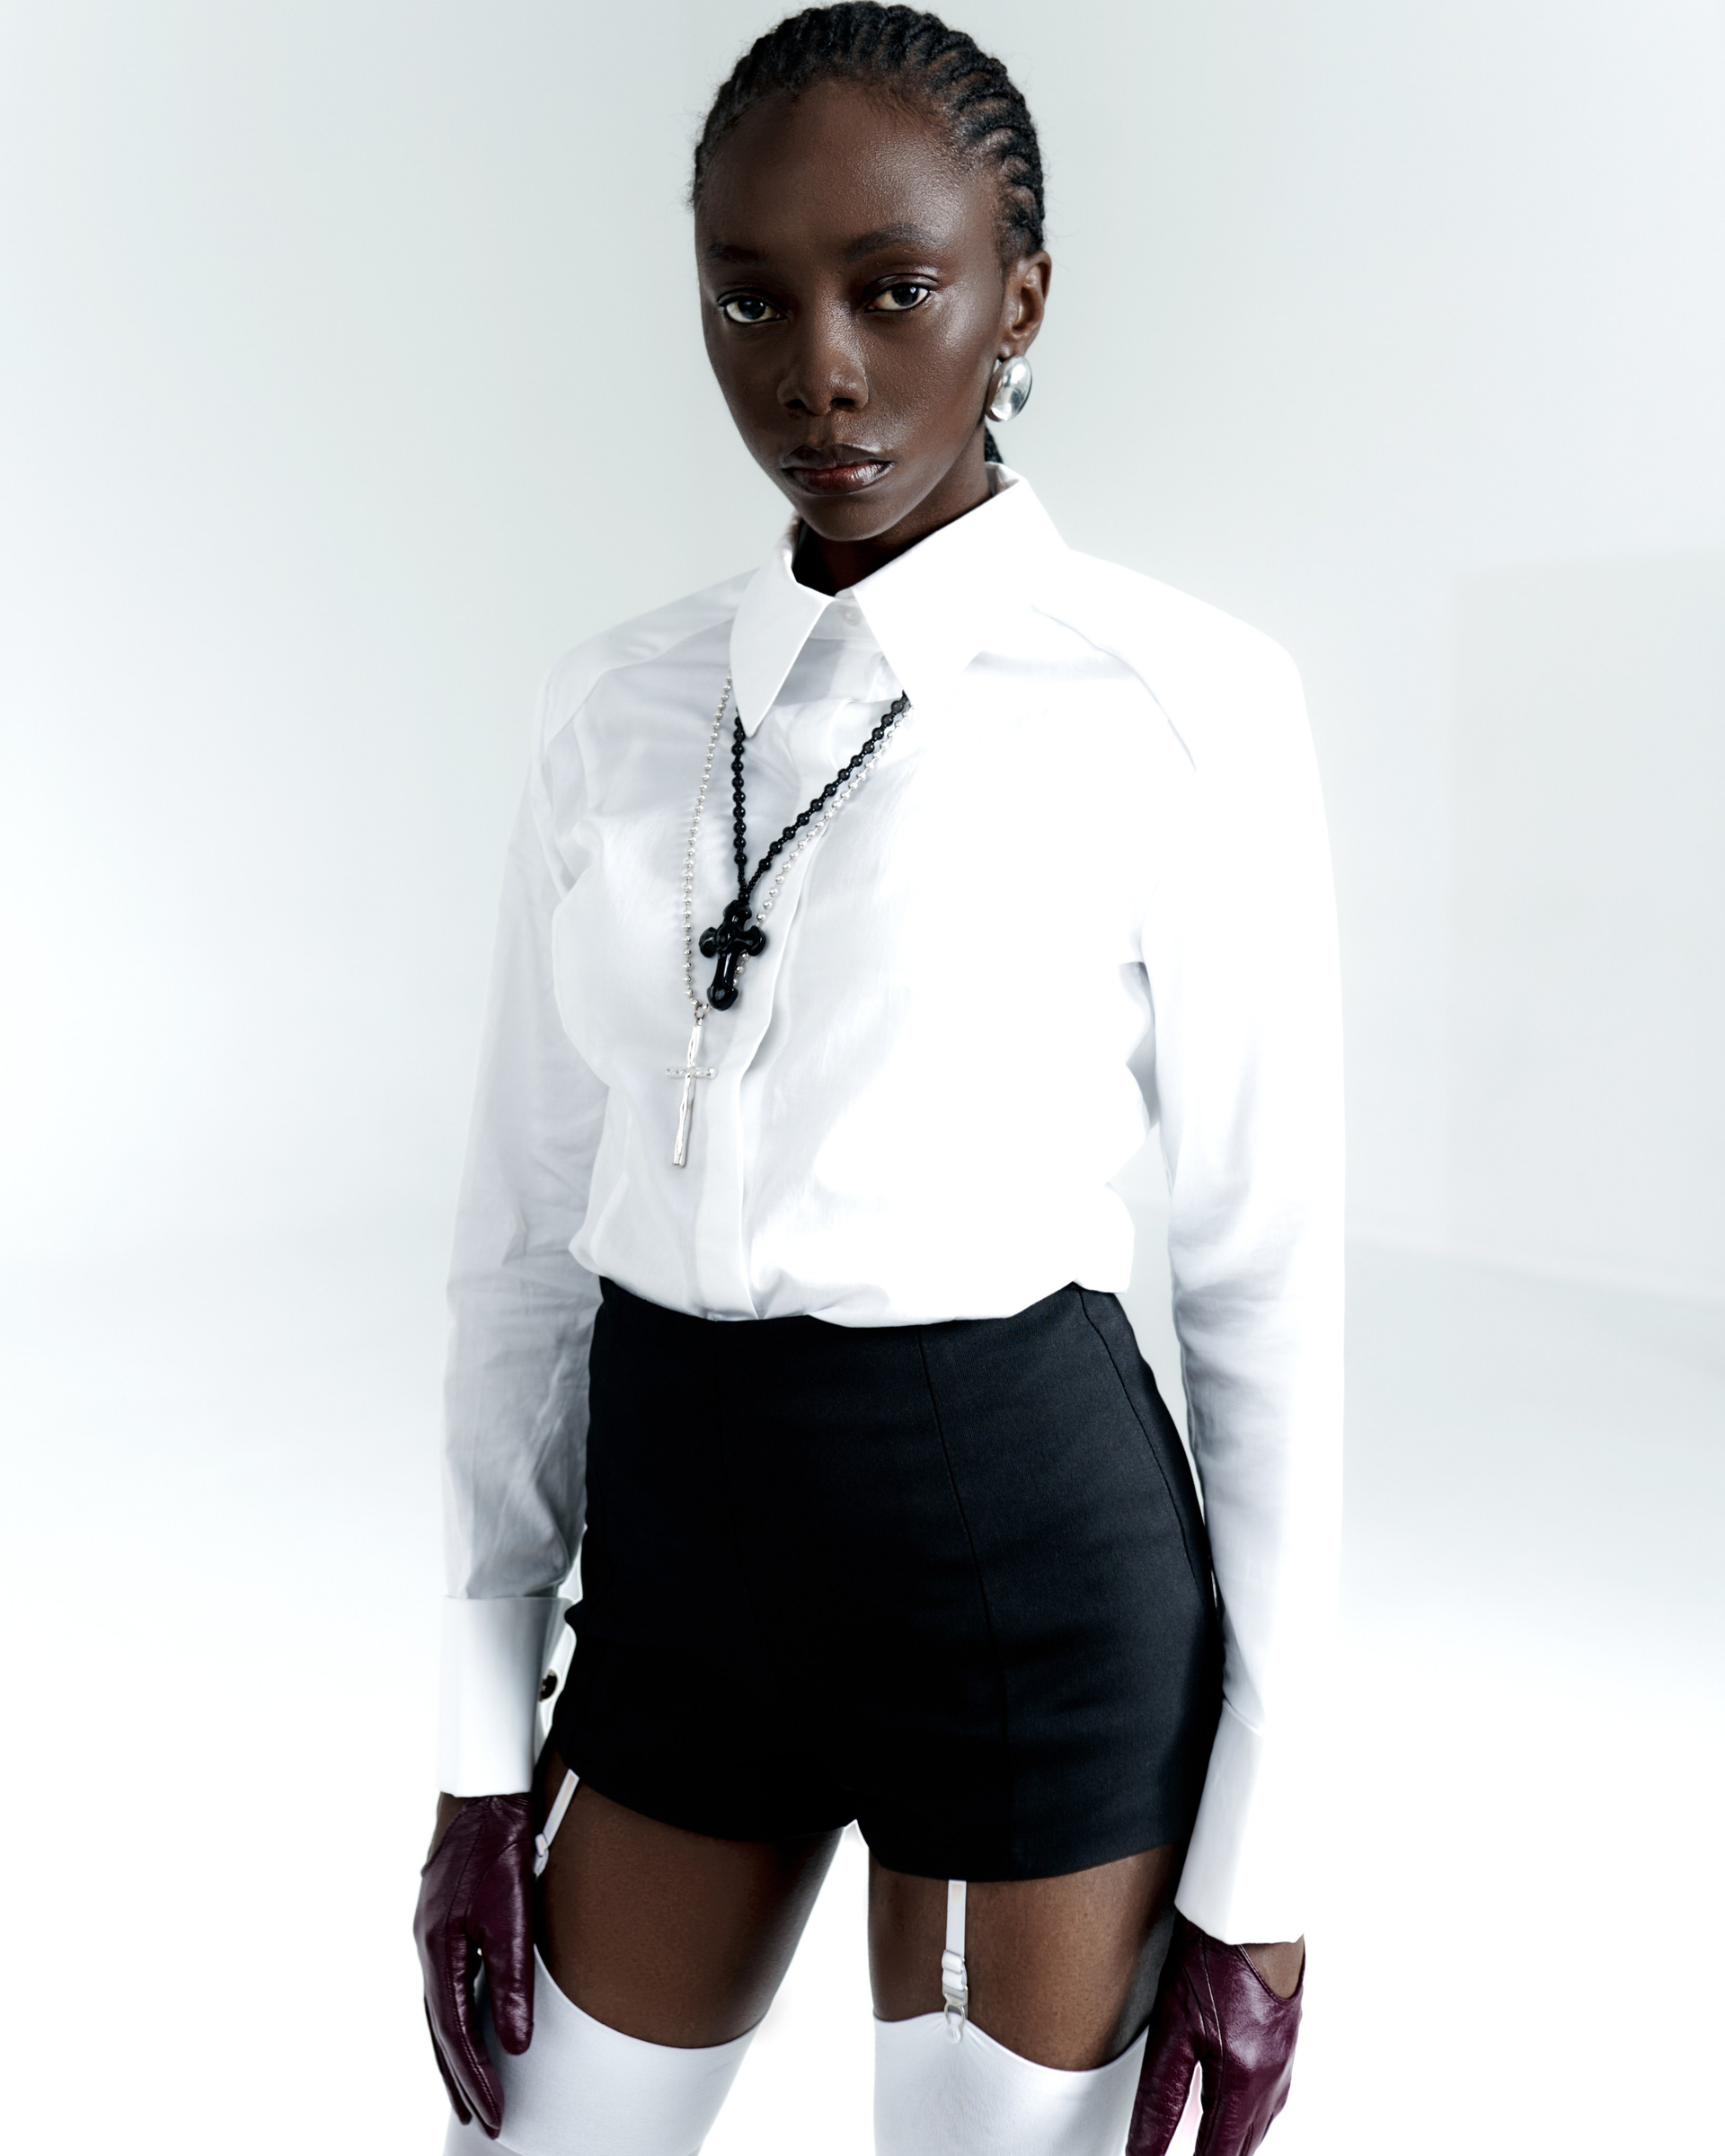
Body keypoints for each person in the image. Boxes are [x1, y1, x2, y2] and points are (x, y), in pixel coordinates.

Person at [413, 8, 1342, 2154]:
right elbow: (519, 1247)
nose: (817, 371)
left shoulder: (1180, 703)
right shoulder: (615, 705)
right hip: (680, 1575)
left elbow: (1267, 1289)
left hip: (1017, 1575)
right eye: (750, 299)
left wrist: (1266, 1863)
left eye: (892, 288)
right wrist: (475, 1749)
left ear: (1022, 297)